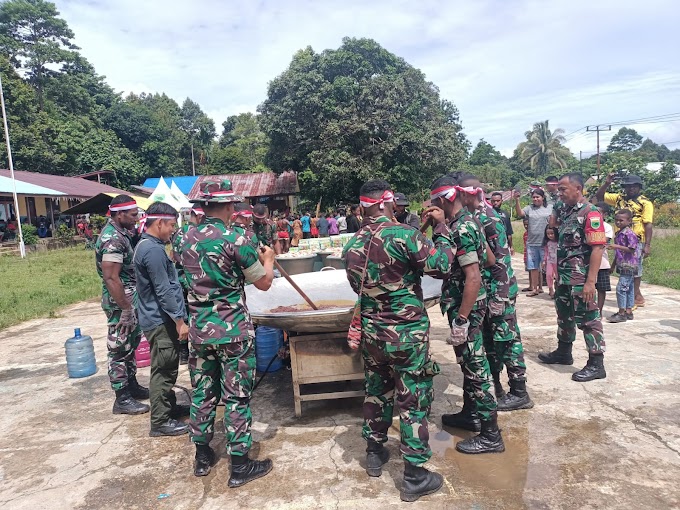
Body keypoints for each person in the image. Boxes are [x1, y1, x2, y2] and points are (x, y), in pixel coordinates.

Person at [343, 179, 451, 502]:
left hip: (373, 336)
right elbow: (441, 265)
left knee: (377, 390)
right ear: (385, 203)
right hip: (407, 336)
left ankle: (375, 453)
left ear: (363, 208)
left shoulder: (351, 247)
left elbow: (357, 289)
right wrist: (442, 230)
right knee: (412, 398)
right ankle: (415, 475)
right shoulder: (405, 235)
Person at [180, 179, 276, 485]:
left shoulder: (183, 239)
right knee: (236, 396)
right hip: (233, 331)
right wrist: (269, 261)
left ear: (203, 205)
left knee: (203, 394)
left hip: (199, 332)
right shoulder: (237, 238)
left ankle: (202, 457)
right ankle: (239, 465)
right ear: (231, 205)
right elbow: (263, 283)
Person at [423, 175, 505, 455]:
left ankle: (491, 434)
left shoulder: (461, 228)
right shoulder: (468, 221)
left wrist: (462, 319)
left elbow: (473, 277)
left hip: (466, 307)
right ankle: (471, 414)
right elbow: (491, 261)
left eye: (435, 202)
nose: (432, 207)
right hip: (469, 305)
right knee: (468, 363)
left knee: (475, 367)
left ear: (445, 200)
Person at [456, 175, 533, 412]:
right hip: (485, 291)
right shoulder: (474, 217)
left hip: (498, 290)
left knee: (507, 340)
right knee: (489, 341)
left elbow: (500, 260)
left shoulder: (489, 218)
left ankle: (520, 391)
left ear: (471, 193)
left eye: (460, 193)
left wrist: (500, 296)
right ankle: (496, 386)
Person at [538, 173, 607, 382]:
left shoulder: (591, 213)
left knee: (588, 319)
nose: (559, 193)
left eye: (563, 189)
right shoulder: (566, 211)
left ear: (578, 189)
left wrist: (590, 282)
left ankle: (596, 363)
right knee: (564, 316)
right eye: (558, 189)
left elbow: (597, 248)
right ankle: (564, 352)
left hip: (581, 278)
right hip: (565, 277)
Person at [133, 202, 190, 437]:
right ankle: (160, 421)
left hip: (155, 317)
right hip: (160, 319)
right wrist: (179, 321)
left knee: (167, 366)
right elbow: (164, 290)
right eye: (171, 226)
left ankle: (168, 408)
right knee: (164, 370)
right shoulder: (153, 250)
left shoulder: (148, 246)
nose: (173, 231)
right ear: (159, 223)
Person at [95, 195, 149, 415]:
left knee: (131, 344)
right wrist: (125, 309)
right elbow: (111, 278)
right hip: (120, 301)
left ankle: (131, 385)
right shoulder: (112, 239)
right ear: (119, 214)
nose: (137, 219)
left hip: (129, 297)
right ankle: (122, 397)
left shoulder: (123, 233)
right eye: (133, 215)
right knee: (119, 348)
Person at [596, 174, 653, 308]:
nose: (630, 189)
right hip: (620, 239)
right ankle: (636, 296)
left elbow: (648, 224)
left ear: (639, 187)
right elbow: (599, 197)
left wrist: (647, 245)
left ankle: (633, 299)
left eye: (633, 186)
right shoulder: (618, 198)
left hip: (636, 240)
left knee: (635, 270)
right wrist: (606, 183)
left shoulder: (645, 203)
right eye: (627, 186)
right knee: (623, 268)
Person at [513, 188, 552, 296]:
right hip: (532, 242)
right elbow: (520, 213)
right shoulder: (529, 208)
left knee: (548, 267)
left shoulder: (549, 208)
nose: (535, 199)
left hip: (545, 243)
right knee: (533, 267)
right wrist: (517, 200)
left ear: (542, 198)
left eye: (537, 197)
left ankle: (551, 289)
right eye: (534, 197)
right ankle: (534, 289)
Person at [608, 209, 640, 323]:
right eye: (616, 220)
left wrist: (616, 246)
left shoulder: (629, 233)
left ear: (629, 221)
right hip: (623, 264)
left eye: (621, 220)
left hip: (629, 264)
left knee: (621, 288)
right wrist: (612, 266)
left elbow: (631, 249)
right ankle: (628, 311)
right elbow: (618, 254)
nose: (618, 222)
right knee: (629, 288)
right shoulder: (619, 233)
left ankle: (622, 313)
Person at [595, 204, 614, 314]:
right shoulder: (586, 225)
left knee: (601, 288)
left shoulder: (606, 227)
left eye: (599, 213)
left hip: (602, 261)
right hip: (588, 261)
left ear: (605, 215)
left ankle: (600, 310)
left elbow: (603, 241)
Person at [543, 226, 558, 299]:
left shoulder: (559, 242)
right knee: (549, 275)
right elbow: (546, 252)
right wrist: (544, 260)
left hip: (557, 262)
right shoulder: (547, 242)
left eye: (552, 233)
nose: (550, 235)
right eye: (548, 234)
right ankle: (550, 289)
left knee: (558, 277)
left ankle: (558, 289)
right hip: (549, 261)